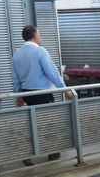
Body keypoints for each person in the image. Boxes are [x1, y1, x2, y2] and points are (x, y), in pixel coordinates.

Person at [12, 24, 69, 165]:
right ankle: (52, 152)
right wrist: (64, 89)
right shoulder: (40, 51)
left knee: (29, 123)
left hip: (26, 94)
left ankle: (27, 155)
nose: (40, 37)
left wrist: (17, 95)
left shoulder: (17, 53)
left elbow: (16, 78)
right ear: (34, 36)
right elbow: (52, 73)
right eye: (39, 34)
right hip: (42, 93)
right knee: (47, 122)